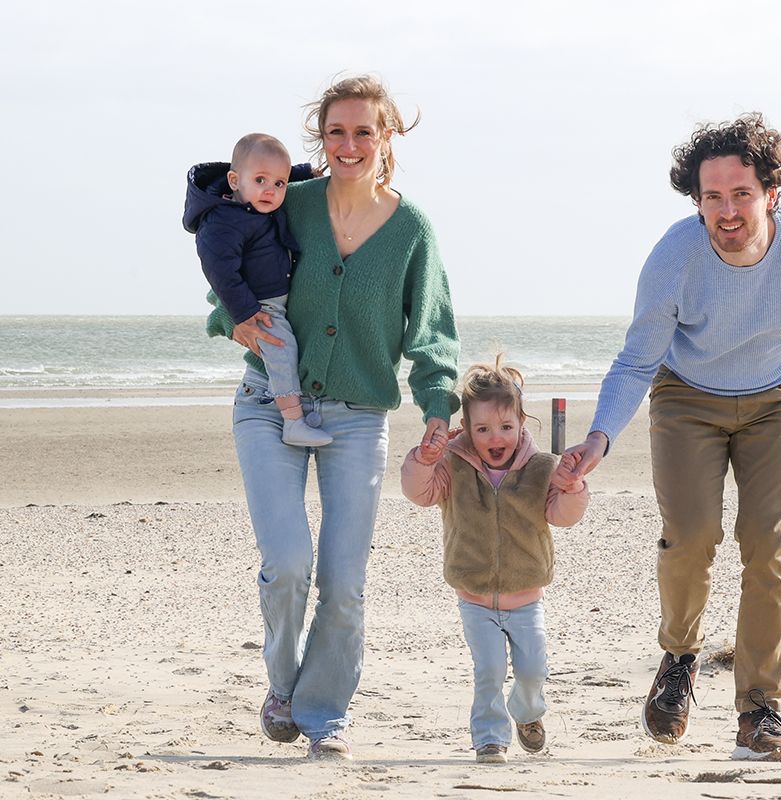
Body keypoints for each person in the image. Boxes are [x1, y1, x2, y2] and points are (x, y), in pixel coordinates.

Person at [563, 113, 781, 762]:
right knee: (691, 537)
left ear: (771, 193)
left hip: (777, 397)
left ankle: (760, 710)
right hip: (687, 398)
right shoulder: (674, 257)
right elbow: (636, 358)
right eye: (713, 197)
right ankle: (679, 658)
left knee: (768, 546)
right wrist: (599, 438)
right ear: (697, 200)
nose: (727, 211)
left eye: (742, 194)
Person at [205, 75, 460, 761]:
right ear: (323, 137)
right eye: (337, 132)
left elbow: (432, 332)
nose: (349, 145)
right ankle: (283, 687)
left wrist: (439, 404)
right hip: (267, 404)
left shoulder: (411, 230)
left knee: (343, 581)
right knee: (287, 562)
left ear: (387, 137)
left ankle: (324, 714)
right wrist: (232, 324)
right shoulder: (291, 202)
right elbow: (226, 272)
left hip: (357, 417)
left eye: (364, 131)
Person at [400, 358, 589, 764]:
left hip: (527, 599)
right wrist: (425, 459)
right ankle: (489, 737)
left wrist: (572, 487)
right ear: (466, 429)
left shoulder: (542, 469)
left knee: (533, 670)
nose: (494, 437)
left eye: (505, 427)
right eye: (482, 429)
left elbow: (564, 515)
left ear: (522, 424)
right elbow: (420, 493)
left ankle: (528, 713)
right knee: (488, 670)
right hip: (475, 597)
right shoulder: (453, 464)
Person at [185, 133, 333, 447]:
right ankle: (293, 421)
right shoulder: (222, 222)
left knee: (286, 346)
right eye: (261, 180)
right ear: (234, 180)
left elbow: (279, 172)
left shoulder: (253, 203)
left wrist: (304, 173)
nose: (271, 190)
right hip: (259, 305)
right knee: (281, 349)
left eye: (279, 184)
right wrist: (244, 313)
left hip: (276, 295)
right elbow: (220, 273)